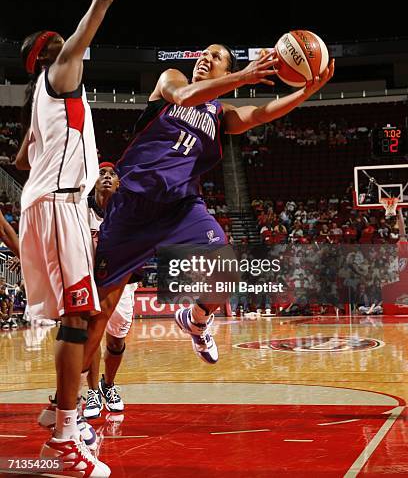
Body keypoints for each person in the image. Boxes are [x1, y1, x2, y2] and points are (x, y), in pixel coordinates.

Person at [79, 44, 334, 372]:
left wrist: (304, 93)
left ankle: (196, 321)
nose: (205, 58)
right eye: (204, 54)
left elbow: (260, 113)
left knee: (227, 270)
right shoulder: (172, 79)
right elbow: (184, 97)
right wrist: (246, 75)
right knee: (99, 314)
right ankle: (66, 405)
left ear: (226, 73)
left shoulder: (221, 114)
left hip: (180, 208)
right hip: (132, 207)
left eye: (215, 57)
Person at [15, 0, 141, 477]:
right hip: (61, 209)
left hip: (45, 205)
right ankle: (65, 437)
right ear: (52, 53)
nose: (76, 45)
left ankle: (58, 414)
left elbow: (22, 156)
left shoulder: (46, 101)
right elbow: (103, 0)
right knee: (78, 319)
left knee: (76, 317)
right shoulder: (61, 73)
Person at [84, 162, 137, 419]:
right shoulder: (80, 210)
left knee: (116, 340)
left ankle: (109, 384)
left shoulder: (128, 212)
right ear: (94, 182)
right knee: (90, 337)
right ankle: (92, 390)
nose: (106, 177)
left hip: (121, 283)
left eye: (112, 174)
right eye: (101, 174)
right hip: (89, 281)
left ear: (119, 183)